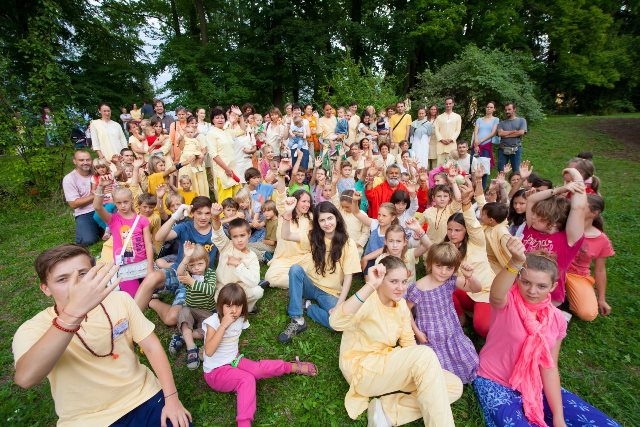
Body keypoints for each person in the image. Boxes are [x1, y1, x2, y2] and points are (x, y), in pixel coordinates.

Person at [12, 244, 192, 427]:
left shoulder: (119, 300)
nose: (76, 284)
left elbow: (152, 347)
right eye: (62, 279)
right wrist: (73, 314)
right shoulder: (33, 329)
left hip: (144, 396)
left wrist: (172, 399)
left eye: (83, 273)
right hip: (86, 420)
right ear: (46, 288)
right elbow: (26, 378)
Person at [474, 237, 620, 427]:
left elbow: (549, 367)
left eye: (541, 286)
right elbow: (496, 293)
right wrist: (515, 262)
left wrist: (558, 417)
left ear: (552, 287)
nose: (532, 291)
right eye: (526, 282)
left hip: (534, 383)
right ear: (518, 279)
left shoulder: (557, 319)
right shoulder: (507, 302)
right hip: (495, 381)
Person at [329, 257, 463, 426]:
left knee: (453, 386)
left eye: (404, 282)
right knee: (425, 356)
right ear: (381, 280)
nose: (401, 288)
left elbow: (408, 343)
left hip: (385, 365)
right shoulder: (368, 301)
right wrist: (370, 285)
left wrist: (420, 373)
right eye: (393, 281)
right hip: (362, 371)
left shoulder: (400, 307)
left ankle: (386, 410)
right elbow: (335, 322)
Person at [202, 283, 317, 427]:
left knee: (259, 369)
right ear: (220, 306)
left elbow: (232, 337)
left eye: (238, 306)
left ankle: (291, 367)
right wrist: (223, 326)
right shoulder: (213, 322)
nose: (234, 311)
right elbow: (209, 351)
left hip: (233, 360)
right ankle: (244, 423)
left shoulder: (240, 318)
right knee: (247, 379)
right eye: (228, 306)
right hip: (215, 372)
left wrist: (234, 346)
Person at [277, 200, 360, 342]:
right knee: (295, 269)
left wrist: (340, 304)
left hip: (329, 291)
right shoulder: (313, 236)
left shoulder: (348, 244)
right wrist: (288, 213)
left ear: (337, 218)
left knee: (339, 324)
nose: (327, 223)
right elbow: (286, 236)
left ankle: (308, 307)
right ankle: (297, 319)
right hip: (310, 284)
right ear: (318, 223)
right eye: (322, 220)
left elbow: (348, 277)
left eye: (330, 218)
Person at [134, 197, 217, 328]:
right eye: (199, 213)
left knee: (172, 318)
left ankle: (152, 302)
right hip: (177, 270)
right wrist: (174, 217)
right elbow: (159, 237)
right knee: (153, 276)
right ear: (192, 213)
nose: (203, 217)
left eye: (207, 213)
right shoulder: (185, 227)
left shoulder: (215, 231)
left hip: (196, 280)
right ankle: (131, 318)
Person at [407, 242, 481, 384]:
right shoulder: (419, 287)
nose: (443, 272)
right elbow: (405, 309)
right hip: (430, 335)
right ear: (430, 264)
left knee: (468, 360)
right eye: (439, 266)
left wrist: (470, 277)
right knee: (435, 370)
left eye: (449, 268)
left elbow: (476, 289)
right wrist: (416, 332)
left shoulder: (450, 281)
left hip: (450, 329)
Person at [522, 168, 586, 307]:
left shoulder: (567, 239)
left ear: (554, 221)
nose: (532, 217)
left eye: (539, 216)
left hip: (548, 297)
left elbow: (578, 208)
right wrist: (560, 190)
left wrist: (576, 176)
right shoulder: (531, 228)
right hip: (523, 288)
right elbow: (532, 199)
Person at [93, 178, 154, 298]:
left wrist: (150, 268)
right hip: (125, 267)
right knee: (134, 297)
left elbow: (148, 244)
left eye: (125, 202)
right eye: (119, 203)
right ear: (114, 203)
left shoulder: (142, 220)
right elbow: (97, 207)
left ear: (132, 200)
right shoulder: (112, 219)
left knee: (153, 289)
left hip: (143, 264)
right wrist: (100, 187)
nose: (122, 206)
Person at [566, 194, 614, 321]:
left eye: (581, 206)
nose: (575, 206)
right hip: (555, 268)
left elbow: (600, 270)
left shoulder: (601, 240)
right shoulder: (563, 225)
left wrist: (602, 299)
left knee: (588, 314)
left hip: (577, 276)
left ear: (594, 212)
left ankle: (568, 293)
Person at [210, 205, 262, 312]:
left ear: (249, 234)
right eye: (235, 236)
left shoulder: (252, 256)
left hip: (241, 289)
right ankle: (232, 308)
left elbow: (254, 281)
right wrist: (215, 217)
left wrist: (239, 265)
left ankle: (247, 309)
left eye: (242, 235)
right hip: (224, 289)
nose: (239, 240)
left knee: (258, 291)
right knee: (222, 300)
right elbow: (218, 233)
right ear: (231, 237)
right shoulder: (226, 246)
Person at [173, 242, 216, 369]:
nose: (196, 268)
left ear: (206, 262)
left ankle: (183, 337)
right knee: (183, 313)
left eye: (200, 264)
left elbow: (210, 290)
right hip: (190, 309)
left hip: (206, 311)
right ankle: (191, 347)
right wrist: (186, 258)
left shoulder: (210, 274)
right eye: (192, 265)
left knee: (211, 330)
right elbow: (179, 273)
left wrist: (192, 282)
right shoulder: (188, 275)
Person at [62, 150, 100, 246]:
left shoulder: (98, 172)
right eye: (81, 160)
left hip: (103, 207)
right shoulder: (69, 179)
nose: (85, 162)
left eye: (88, 160)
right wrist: (96, 194)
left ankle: (100, 227)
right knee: (87, 240)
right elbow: (73, 204)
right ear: (74, 161)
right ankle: (95, 229)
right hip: (85, 212)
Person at [207, 107, 241, 201]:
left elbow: (243, 130)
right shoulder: (211, 133)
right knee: (226, 201)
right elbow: (214, 155)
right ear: (212, 120)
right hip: (223, 171)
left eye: (222, 117)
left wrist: (240, 116)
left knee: (237, 198)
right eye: (217, 117)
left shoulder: (227, 131)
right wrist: (226, 169)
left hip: (233, 169)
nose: (220, 120)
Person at [472, 101, 499, 188]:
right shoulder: (479, 119)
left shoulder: (495, 119)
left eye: (491, 107)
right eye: (487, 107)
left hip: (486, 145)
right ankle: (473, 186)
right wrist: (476, 143)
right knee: (474, 165)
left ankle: (482, 188)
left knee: (484, 166)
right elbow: (476, 131)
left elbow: (493, 133)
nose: (489, 108)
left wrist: (481, 141)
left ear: (494, 109)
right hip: (476, 145)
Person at [497, 102, 527, 173]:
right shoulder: (501, 123)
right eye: (506, 110)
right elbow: (500, 133)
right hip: (502, 150)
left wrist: (506, 135)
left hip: (516, 149)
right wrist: (513, 132)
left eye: (509, 109)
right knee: (501, 171)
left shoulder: (521, 120)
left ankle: (515, 184)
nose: (507, 111)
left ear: (514, 109)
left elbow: (521, 132)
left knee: (516, 171)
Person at [434, 98, 462, 166]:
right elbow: (436, 129)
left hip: (451, 144)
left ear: (453, 104)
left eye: (450, 104)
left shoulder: (457, 117)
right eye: (446, 104)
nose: (448, 105)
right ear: (444, 105)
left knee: (452, 165)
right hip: (441, 144)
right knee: (440, 165)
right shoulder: (439, 117)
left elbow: (458, 130)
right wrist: (441, 139)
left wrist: (451, 139)